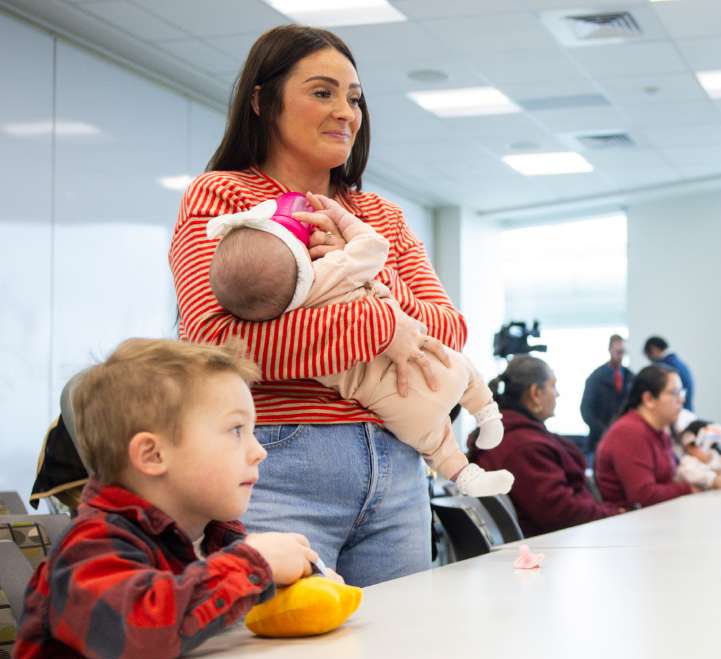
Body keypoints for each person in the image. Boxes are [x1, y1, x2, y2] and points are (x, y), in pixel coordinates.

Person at [170, 26, 465, 586]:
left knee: (400, 658)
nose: (346, 113)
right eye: (322, 92)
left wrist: (369, 269)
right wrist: (381, 322)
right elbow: (217, 344)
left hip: (399, 465)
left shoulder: (380, 215)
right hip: (279, 461)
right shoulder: (224, 198)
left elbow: (449, 332)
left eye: (354, 97)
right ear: (263, 101)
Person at [9, 339, 322, 659]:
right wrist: (254, 563)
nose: (259, 451)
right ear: (153, 455)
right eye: (236, 430)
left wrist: (304, 580)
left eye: (252, 431)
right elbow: (142, 627)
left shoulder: (216, 534)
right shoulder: (89, 546)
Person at [205, 191, 511, 497]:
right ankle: (487, 414)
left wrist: (351, 327)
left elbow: (451, 328)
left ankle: (467, 475)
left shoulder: (286, 308)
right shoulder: (328, 272)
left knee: (436, 442)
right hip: (298, 467)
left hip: (396, 414)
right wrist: (386, 318)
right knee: (467, 374)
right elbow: (217, 345)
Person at [468, 356, 621, 537]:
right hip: (550, 548)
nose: (557, 394)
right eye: (553, 386)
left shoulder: (512, 434)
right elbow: (562, 512)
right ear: (535, 393)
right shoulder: (522, 445)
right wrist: (615, 514)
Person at [595, 365, 696, 509]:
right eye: (675, 393)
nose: (681, 400)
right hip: (628, 523)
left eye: (682, 393)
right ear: (648, 399)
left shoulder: (659, 429)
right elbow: (644, 495)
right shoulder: (629, 432)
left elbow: (671, 478)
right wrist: (689, 488)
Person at [580, 334, 633, 455]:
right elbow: (586, 410)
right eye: (617, 351)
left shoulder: (630, 377)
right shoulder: (596, 378)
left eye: (622, 352)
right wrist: (604, 431)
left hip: (625, 438)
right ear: (610, 350)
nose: (620, 355)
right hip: (599, 439)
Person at [643, 336, 695, 411]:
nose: (650, 360)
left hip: (677, 412)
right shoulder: (677, 363)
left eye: (648, 356)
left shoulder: (665, 368)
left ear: (654, 349)